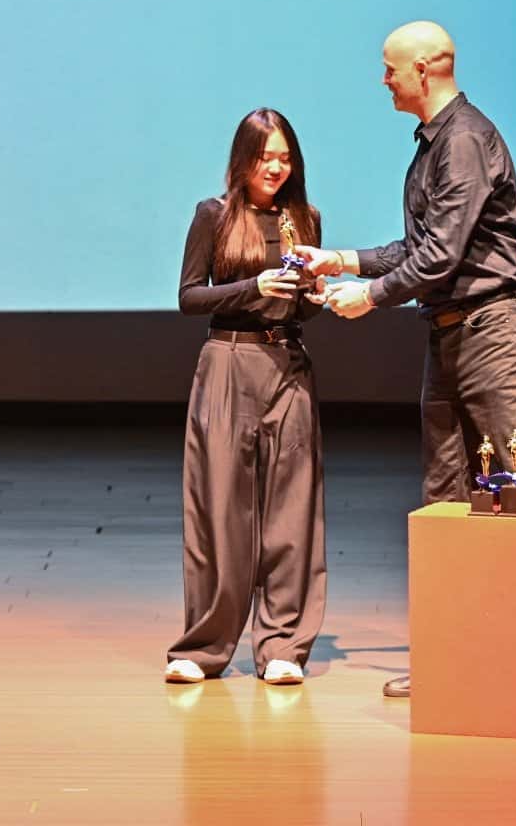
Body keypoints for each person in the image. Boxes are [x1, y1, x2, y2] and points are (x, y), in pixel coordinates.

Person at [296, 21, 516, 698]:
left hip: (493, 330)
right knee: (446, 495)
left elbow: (440, 255)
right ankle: (453, 658)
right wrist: (341, 260)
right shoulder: (434, 144)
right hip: (451, 332)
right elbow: (420, 245)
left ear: (425, 68)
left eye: (390, 69)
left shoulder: (463, 139)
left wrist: (370, 297)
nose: (383, 80)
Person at [164, 109, 328, 687]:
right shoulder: (214, 215)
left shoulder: (304, 218)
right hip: (228, 363)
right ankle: (205, 647)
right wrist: (251, 286)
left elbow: (301, 307)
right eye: (265, 157)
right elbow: (189, 297)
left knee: (292, 509)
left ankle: (283, 645)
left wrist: (315, 294)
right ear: (242, 160)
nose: (276, 168)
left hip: (288, 365)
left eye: (285, 158)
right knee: (220, 507)